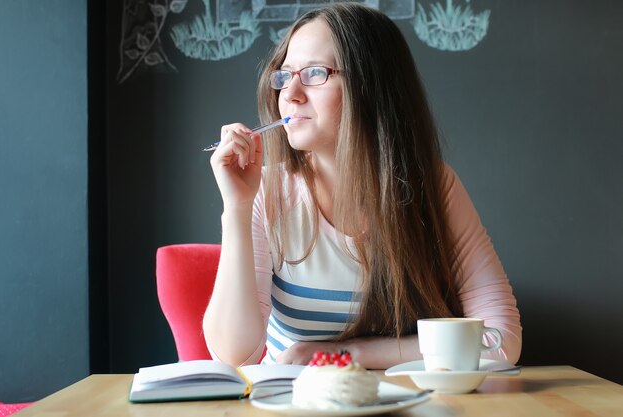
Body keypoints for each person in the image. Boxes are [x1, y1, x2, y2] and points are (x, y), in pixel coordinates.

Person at [204, 3, 521, 369]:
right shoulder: (266, 191)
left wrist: (345, 355)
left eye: (314, 73)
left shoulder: (434, 187)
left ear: (370, 85)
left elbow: (501, 341)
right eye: (284, 75)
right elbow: (235, 356)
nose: (289, 94)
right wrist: (238, 207)